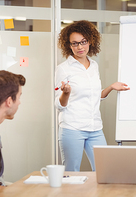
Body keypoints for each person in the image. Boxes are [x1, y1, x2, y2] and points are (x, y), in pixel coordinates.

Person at [55, 20, 130, 171]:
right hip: (72, 127)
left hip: (95, 128)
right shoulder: (63, 69)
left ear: (90, 41)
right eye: (74, 43)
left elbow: (95, 96)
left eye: (83, 42)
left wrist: (110, 87)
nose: (80, 47)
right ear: (69, 46)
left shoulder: (94, 66)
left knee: (104, 170)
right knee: (71, 173)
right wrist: (66, 93)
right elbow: (58, 104)